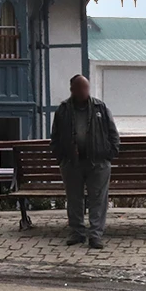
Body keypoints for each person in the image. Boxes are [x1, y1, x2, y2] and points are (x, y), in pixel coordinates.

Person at [50, 74, 120, 249]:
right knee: (74, 199)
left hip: (98, 161)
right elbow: (55, 136)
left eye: (86, 88)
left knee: (98, 200)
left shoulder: (100, 107)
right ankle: (77, 232)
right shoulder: (63, 110)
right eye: (80, 88)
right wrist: (61, 157)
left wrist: (109, 154)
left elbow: (113, 133)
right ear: (72, 89)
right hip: (72, 162)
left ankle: (95, 235)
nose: (84, 91)